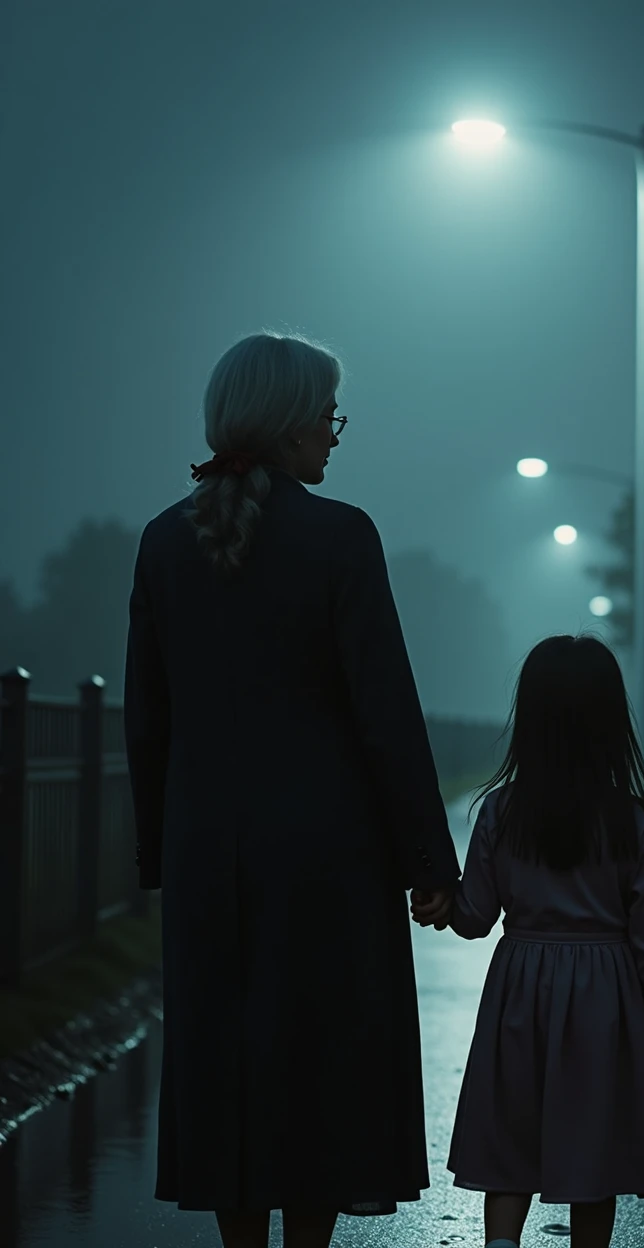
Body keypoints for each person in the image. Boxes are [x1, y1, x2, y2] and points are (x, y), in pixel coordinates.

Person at [124, 331, 460, 1248]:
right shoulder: (342, 536)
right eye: (327, 413)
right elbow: (385, 713)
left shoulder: (162, 542)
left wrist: (161, 853)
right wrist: (428, 862)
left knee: (226, 1066)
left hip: (208, 857)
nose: (335, 433)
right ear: (287, 421)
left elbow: (146, 723)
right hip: (328, 859)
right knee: (321, 1068)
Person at [412, 634, 644, 1248]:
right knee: (595, 1145)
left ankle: (501, 1243)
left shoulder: (501, 813)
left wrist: (441, 900)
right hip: (605, 996)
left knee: (511, 1132)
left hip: (520, 986)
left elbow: (474, 918)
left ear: (531, 719)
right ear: (610, 722)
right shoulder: (632, 822)